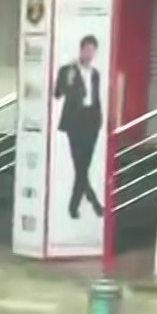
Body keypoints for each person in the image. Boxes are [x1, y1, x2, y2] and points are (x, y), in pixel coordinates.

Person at [53, 34, 106, 221]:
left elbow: (96, 97)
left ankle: (79, 205)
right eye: (87, 50)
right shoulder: (67, 70)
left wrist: (100, 120)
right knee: (80, 167)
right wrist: (67, 80)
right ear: (81, 50)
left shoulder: (95, 74)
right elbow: (58, 94)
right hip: (75, 122)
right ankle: (91, 203)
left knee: (83, 168)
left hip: (91, 121)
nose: (89, 54)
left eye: (93, 51)